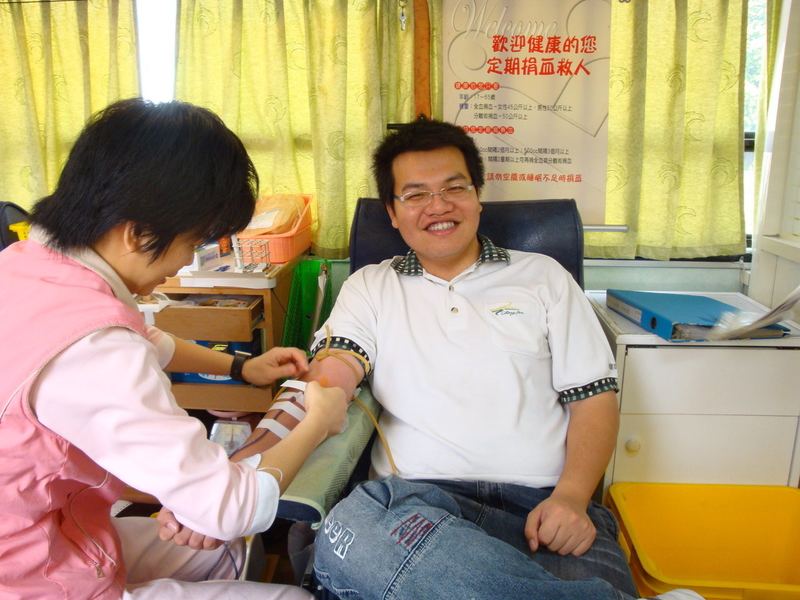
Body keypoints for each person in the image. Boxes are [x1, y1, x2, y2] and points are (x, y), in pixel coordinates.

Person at [246, 117, 703, 599]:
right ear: (393, 213)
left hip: (542, 510)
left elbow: (593, 398)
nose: (438, 206)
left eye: (454, 188)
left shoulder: (544, 277)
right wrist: (308, 397)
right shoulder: (371, 285)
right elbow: (337, 367)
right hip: (413, 508)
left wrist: (571, 497)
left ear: (477, 197)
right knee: (352, 528)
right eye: (416, 195)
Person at [0, 98, 349, 599]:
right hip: (32, 577)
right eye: (194, 243)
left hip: (48, 530)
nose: (187, 262)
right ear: (138, 233)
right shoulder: (96, 352)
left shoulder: (27, 263)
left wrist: (243, 366)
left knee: (224, 548)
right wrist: (320, 420)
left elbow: (147, 340)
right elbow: (230, 507)